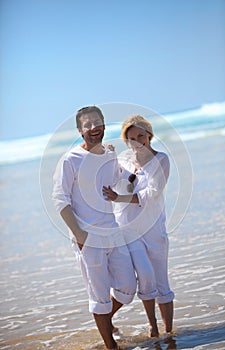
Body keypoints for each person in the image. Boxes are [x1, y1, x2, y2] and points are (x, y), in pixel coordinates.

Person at [52, 106, 137, 350]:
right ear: (79, 130)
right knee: (99, 297)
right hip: (88, 238)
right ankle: (111, 345)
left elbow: (118, 180)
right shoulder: (70, 160)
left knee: (127, 289)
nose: (92, 128)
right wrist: (79, 235)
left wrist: (139, 169)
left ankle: (106, 321)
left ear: (104, 125)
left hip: (112, 231)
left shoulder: (109, 154)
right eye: (87, 125)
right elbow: (60, 199)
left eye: (96, 123)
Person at [103, 114, 174, 338]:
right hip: (129, 229)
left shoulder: (161, 159)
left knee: (161, 282)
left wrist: (119, 198)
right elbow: (112, 181)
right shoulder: (124, 159)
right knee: (144, 275)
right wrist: (108, 155)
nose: (136, 142)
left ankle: (169, 333)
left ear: (149, 135)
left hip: (154, 229)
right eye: (131, 138)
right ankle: (152, 326)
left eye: (140, 136)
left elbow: (152, 194)